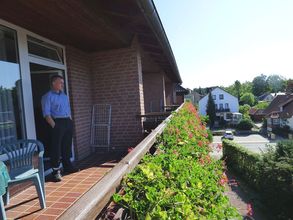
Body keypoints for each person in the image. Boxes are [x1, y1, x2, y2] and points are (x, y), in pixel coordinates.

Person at [41, 75, 78, 182]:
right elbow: (46, 114)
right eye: (60, 82)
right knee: (56, 148)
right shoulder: (47, 96)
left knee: (66, 146)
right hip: (57, 122)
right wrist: (55, 126)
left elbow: (68, 109)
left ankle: (67, 166)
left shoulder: (64, 96)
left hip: (67, 121)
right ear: (53, 83)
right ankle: (56, 171)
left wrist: (70, 121)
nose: (62, 84)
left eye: (62, 82)